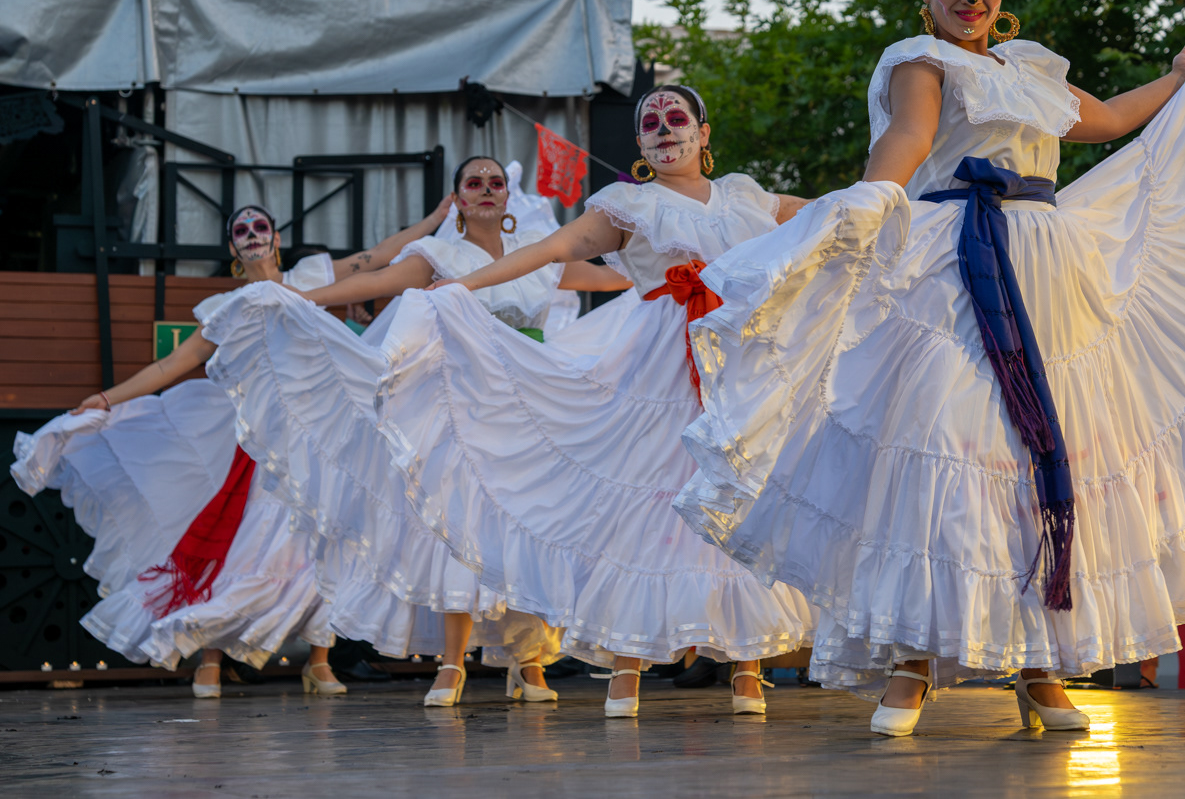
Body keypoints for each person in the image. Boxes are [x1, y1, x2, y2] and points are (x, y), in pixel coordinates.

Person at [674, 0, 1185, 736]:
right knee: (945, 445)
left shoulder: (1029, 68)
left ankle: (1042, 667)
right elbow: (908, 141)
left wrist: (1181, 77)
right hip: (953, 264)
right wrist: (868, 202)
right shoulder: (922, 60)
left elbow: (1109, 118)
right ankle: (914, 661)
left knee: (1047, 458)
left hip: (1048, 270)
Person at [376, 87, 817, 718]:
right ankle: (627, 666)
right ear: (639, 145)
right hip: (659, 358)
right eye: (650, 123)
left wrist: (912, 199)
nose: (664, 129)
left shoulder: (747, 195)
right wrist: (464, 286)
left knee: (738, 490)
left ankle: (748, 667)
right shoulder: (628, 204)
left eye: (676, 119)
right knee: (646, 497)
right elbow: (552, 250)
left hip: (738, 353)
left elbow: (831, 211)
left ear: (704, 132)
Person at [203, 156, 631, 706]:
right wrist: (293, 298)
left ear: (506, 196)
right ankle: (452, 664)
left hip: (530, 409)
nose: (485, 190)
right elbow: (376, 278)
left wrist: (673, 259)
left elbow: (616, 275)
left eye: (494, 183)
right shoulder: (438, 256)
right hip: (465, 407)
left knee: (532, 527)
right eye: (473, 183)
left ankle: (528, 662)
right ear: (457, 198)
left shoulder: (537, 255)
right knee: (463, 525)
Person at [11, 198, 451, 697]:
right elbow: (170, 366)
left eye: (260, 225)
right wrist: (109, 398)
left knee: (329, 544)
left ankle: (320, 661)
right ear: (233, 250)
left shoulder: (313, 280)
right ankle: (210, 657)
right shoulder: (227, 308)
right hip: (260, 447)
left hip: (325, 440)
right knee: (246, 551)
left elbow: (378, 256)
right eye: (241, 230)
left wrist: (436, 222)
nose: (252, 232)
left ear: (276, 238)